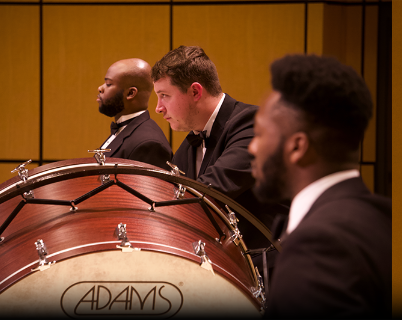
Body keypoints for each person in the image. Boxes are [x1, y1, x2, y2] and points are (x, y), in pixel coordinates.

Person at [248, 54, 391, 317]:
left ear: (297, 147)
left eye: (258, 134)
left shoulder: (318, 247)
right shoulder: (385, 216)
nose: (251, 147)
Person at [152, 46, 288, 255]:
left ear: (195, 91)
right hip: (226, 266)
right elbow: (168, 191)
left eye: (164, 95)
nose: (158, 108)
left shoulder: (253, 124)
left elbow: (212, 189)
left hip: (270, 269)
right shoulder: (192, 140)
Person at [97, 58, 172, 170]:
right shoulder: (125, 129)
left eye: (108, 84)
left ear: (130, 93)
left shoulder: (149, 144)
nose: (100, 88)